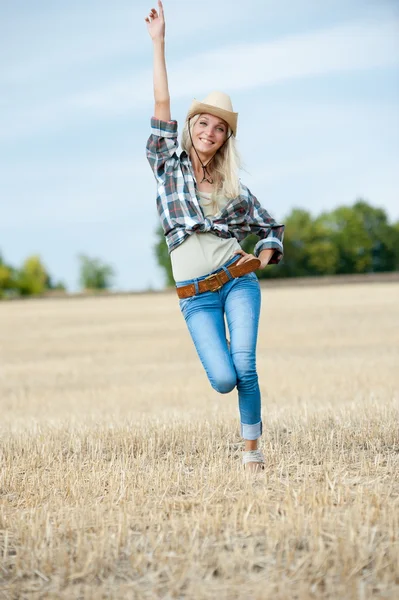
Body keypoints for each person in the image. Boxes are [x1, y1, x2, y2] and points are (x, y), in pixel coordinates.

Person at [145, 1, 285, 472]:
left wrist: (260, 259)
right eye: (202, 122)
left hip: (237, 280)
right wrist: (158, 43)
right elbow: (161, 105)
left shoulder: (233, 188)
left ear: (226, 138)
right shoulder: (169, 165)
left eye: (218, 127)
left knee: (245, 365)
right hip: (195, 297)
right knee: (224, 378)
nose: (209, 131)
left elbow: (270, 228)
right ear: (191, 127)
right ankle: (247, 438)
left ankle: (252, 452)